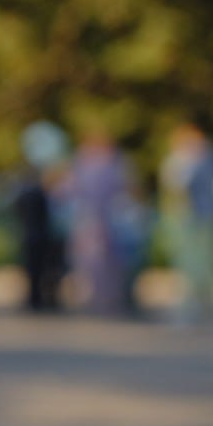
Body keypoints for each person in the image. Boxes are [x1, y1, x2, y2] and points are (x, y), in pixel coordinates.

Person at [159, 122, 213, 325]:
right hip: (188, 220)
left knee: (206, 265)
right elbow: (174, 189)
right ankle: (191, 308)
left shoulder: (209, 160)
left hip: (205, 219)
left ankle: (203, 307)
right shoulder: (181, 161)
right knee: (190, 265)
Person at [66, 130, 136, 316]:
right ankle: (104, 295)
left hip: (97, 221)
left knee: (99, 261)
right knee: (98, 261)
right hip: (98, 221)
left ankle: (102, 295)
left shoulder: (98, 167)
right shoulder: (113, 166)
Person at [13, 121, 70, 312]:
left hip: (42, 232)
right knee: (39, 266)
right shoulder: (31, 183)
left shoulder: (44, 182)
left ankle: (45, 296)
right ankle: (38, 296)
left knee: (50, 266)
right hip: (37, 233)